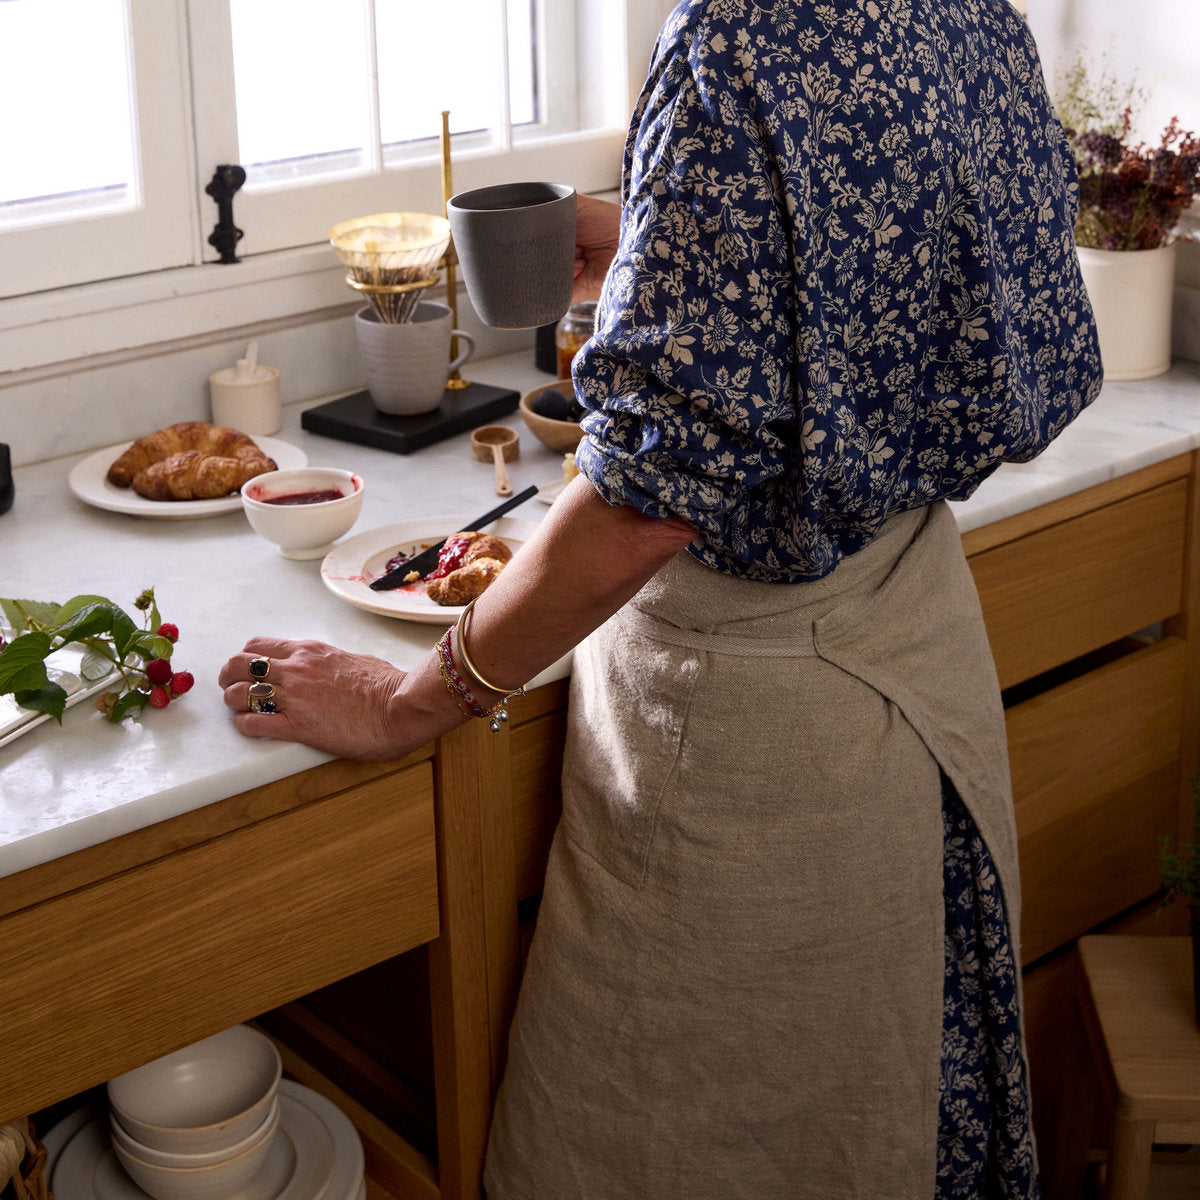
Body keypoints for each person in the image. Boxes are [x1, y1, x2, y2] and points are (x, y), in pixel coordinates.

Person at [220, 0, 1103, 1195]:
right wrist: (662, 235)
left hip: (758, 751)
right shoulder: (967, 10)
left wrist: (410, 702)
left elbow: (648, 504)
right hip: (918, 653)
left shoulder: (730, 39)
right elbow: (945, 282)